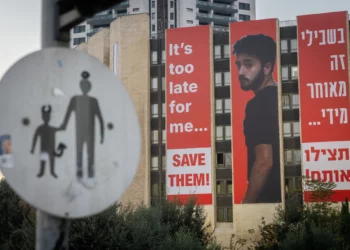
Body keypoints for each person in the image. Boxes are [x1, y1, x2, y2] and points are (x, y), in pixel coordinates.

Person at [232, 34, 281, 203]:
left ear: (267, 68)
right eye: (238, 65)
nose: (240, 72)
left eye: (248, 65)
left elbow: (264, 161)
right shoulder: (280, 97)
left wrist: (246, 205)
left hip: (267, 200)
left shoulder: (259, 104)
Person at [60, 71, 104, 180]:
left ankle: (90, 173)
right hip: (79, 131)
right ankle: (79, 173)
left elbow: (100, 119)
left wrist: (102, 135)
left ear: (89, 87)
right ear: (81, 86)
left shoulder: (93, 101)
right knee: (79, 152)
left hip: (90, 132)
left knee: (90, 152)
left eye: (86, 85)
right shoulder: (75, 99)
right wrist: (63, 127)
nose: (85, 87)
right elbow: (68, 115)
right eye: (83, 85)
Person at [31, 105, 66, 178]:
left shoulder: (52, 128)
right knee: (43, 161)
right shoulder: (40, 128)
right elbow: (35, 138)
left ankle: (52, 172)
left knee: (52, 161)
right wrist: (33, 148)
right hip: (44, 148)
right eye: (45, 116)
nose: (47, 118)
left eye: (48, 116)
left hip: (51, 148)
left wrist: (63, 126)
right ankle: (42, 172)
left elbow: (60, 129)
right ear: (43, 117)